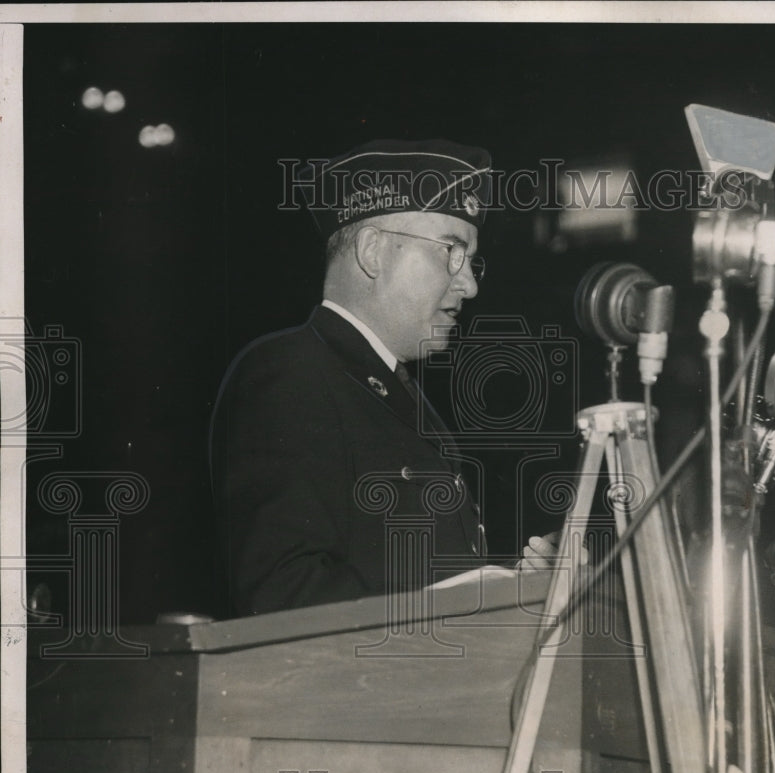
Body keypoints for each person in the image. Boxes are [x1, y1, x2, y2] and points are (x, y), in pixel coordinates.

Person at [210, 139, 565, 618]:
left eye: (471, 259)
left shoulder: (397, 393)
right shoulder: (291, 374)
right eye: (451, 251)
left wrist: (518, 587)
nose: (470, 285)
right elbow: (284, 597)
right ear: (373, 251)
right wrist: (471, 599)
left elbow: (415, 574)